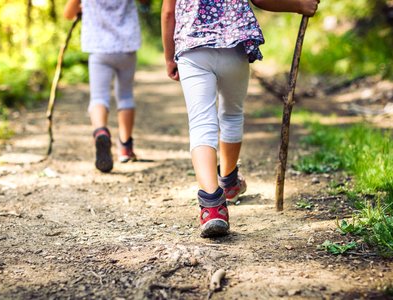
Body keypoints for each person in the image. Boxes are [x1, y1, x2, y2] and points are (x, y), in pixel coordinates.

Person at [161, 0, 320, 237]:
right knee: (232, 114)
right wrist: (299, 5)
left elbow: (168, 12)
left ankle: (212, 207)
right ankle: (228, 181)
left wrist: (169, 57)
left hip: (192, 48)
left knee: (201, 123)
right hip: (232, 45)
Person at [64, 0, 149, 172]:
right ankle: (125, 147)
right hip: (127, 46)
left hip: (99, 48)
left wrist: (83, 7)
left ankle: (101, 132)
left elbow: (68, 13)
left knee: (98, 97)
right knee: (125, 96)